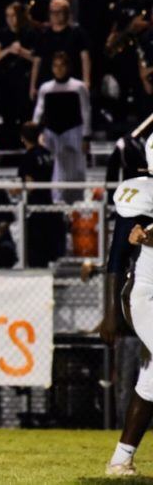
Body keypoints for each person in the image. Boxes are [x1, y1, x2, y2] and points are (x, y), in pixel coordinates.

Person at [105, 139, 153, 476]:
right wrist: (110, 312)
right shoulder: (142, 193)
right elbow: (118, 256)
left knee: (151, 380)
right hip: (147, 295)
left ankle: (122, 459)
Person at [33, 51, 91, 203]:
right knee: (55, 171)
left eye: (62, 65)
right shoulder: (46, 88)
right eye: (56, 66)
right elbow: (39, 110)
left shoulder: (78, 87)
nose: (59, 69)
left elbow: (86, 111)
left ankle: (77, 204)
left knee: (76, 171)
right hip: (51, 133)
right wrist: (35, 132)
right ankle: (56, 203)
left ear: (68, 67)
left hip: (74, 132)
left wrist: (86, 136)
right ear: (52, 68)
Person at [0, 2, 37, 147]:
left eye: (13, 16)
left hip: (25, 79)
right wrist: (9, 50)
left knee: (25, 114)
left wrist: (22, 51)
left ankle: (27, 143)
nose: (10, 19)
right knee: (8, 115)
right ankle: (10, 143)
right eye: (8, 16)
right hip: (7, 80)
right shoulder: (2, 33)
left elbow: (37, 58)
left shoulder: (30, 33)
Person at [18, 121, 63, 267]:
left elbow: (29, 186)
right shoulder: (47, 154)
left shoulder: (28, 157)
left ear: (23, 137)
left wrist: (14, 189)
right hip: (49, 204)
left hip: (35, 210)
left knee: (36, 252)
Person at [31, 0, 91, 97]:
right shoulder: (44, 36)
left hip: (72, 84)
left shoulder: (78, 33)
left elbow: (85, 58)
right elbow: (37, 62)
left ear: (67, 13)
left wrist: (86, 81)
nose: (55, 14)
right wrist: (33, 86)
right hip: (48, 84)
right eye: (52, 12)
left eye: (59, 11)